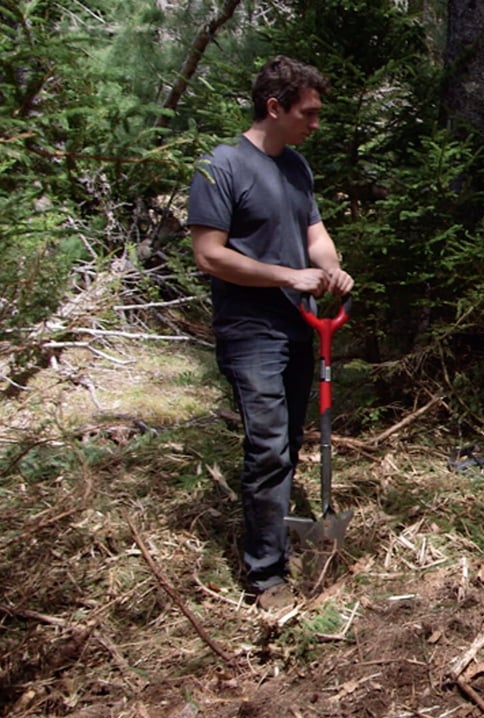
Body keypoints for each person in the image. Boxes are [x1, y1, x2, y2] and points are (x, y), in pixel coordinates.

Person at [187, 56, 355, 609]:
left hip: (298, 324)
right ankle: (266, 575)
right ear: (274, 107)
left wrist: (330, 268)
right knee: (266, 447)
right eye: (307, 113)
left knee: (286, 440)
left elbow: (316, 234)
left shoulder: (297, 168)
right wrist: (289, 275)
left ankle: (279, 532)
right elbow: (209, 256)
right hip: (250, 329)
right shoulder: (222, 166)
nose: (315, 123)